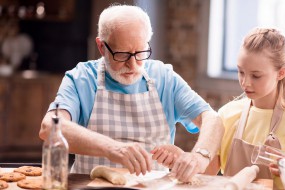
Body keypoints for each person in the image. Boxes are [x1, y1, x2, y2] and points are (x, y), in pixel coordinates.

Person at [39, 4, 224, 176]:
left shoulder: (164, 78)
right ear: (101, 46)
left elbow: (212, 119)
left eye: (140, 53)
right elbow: (49, 128)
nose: (133, 65)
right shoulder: (82, 78)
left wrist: (199, 157)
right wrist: (113, 148)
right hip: (89, 186)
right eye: (122, 55)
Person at [152, 27, 285, 187]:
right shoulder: (227, 114)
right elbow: (205, 176)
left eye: (256, 76)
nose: (245, 82)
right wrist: (181, 159)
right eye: (241, 72)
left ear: (281, 73)